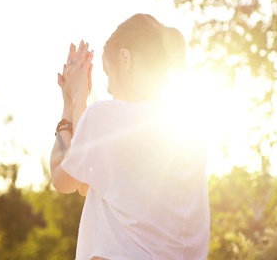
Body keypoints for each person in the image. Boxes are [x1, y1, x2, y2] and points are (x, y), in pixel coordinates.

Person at [49, 13, 210, 260]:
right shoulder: (191, 127)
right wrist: (78, 102)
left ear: (125, 59)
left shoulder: (107, 117)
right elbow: (86, 182)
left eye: (108, 73)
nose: (110, 87)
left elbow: (63, 177)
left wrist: (72, 102)